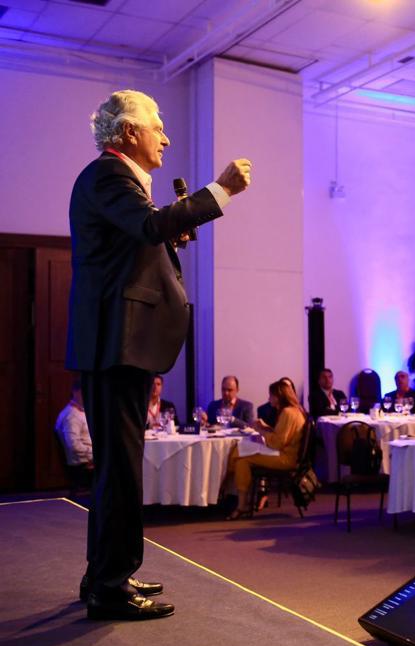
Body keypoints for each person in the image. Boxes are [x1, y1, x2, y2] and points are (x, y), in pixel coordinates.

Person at [67, 89, 249, 619]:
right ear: (129, 132)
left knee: (118, 469)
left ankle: (105, 575)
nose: (166, 138)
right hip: (115, 344)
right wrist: (221, 189)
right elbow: (148, 227)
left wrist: (172, 235)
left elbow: (137, 241)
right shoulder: (109, 175)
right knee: (120, 470)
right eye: (157, 127)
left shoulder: (117, 180)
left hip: (120, 344)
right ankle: (110, 586)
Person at [225, 380, 307, 520]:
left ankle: (234, 498)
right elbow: (282, 436)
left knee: (241, 455)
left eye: (271, 395)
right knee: (241, 460)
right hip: (286, 453)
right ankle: (241, 503)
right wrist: (266, 427)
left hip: (286, 458)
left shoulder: (288, 413)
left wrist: (260, 431)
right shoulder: (295, 411)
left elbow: (277, 443)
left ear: (278, 397)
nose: (269, 398)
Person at [56, 379, 94, 469]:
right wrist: (96, 453)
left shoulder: (81, 412)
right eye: (84, 392)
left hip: (90, 461)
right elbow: (74, 446)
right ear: (75, 392)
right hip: (84, 465)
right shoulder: (72, 415)